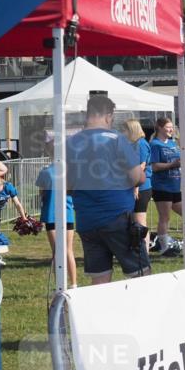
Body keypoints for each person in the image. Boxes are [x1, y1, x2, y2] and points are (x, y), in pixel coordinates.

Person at [66, 94, 149, 284]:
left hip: (86, 220)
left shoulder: (71, 142)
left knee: (100, 279)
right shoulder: (116, 139)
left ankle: (100, 313)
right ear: (108, 116)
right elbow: (137, 177)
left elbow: (67, 184)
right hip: (117, 216)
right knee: (141, 275)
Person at [36, 142, 78, 287]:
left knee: (56, 252)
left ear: (49, 153)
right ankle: (73, 284)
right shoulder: (70, 171)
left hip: (51, 214)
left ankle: (59, 285)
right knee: (68, 250)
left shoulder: (45, 172)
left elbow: (41, 194)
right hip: (67, 213)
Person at [149, 117, 185, 256]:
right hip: (162, 186)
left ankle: (184, 242)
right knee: (165, 217)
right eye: (168, 127)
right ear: (159, 127)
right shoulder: (155, 145)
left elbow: (178, 160)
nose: (171, 130)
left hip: (175, 185)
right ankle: (164, 246)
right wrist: (172, 164)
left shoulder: (173, 143)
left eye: (172, 127)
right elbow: (154, 166)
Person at [121, 119, 152, 230]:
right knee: (133, 221)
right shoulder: (133, 144)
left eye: (124, 130)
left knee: (140, 221)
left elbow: (141, 166)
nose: (122, 133)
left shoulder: (141, 143)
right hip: (133, 186)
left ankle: (143, 246)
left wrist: (136, 186)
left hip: (141, 188)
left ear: (131, 130)